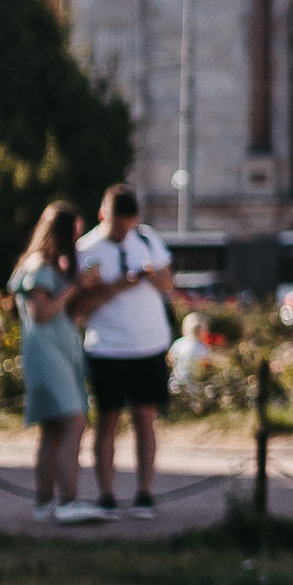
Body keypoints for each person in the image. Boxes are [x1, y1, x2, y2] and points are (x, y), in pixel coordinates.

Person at [75, 185, 176, 512]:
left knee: (146, 418)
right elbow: (79, 309)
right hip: (108, 347)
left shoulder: (146, 239)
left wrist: (154, 277)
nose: (124, 232)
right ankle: (106, 494)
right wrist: (116, 286)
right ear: (103, 215)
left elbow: (169, 284)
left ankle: (144, 492)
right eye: (119, 226)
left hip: (149, 344)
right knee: (108, 420)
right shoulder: (85, 250)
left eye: (129, 225)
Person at [11, 202, 101, 523]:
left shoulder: (51, 267)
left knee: (52, 429)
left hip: (59, 353)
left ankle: (45, 503)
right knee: (73, 422)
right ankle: (68, 501)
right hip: (46, 354)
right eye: (75, 232)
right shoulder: (38, 267)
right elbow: (42, 312)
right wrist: (76, 286)